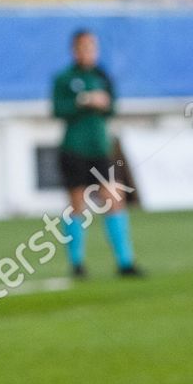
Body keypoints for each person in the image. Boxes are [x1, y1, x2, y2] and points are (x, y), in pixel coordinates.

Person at [52, 29, 140, 278]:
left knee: (114, 198)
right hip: (74, 148)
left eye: (92, 47)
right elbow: (58, 109)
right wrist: (82, 101)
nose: (88, 52)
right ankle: (77, 264)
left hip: (100, 148)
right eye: (83, 47)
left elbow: (112, 108)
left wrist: (104, 103)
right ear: (74, 50)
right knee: (77, 203)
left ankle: (125, 262)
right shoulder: (64, 78)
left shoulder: (103, 77)